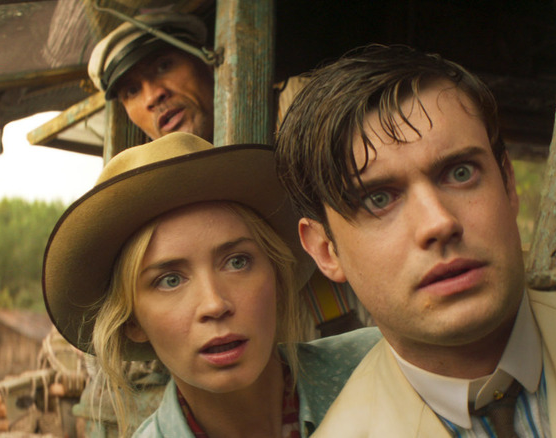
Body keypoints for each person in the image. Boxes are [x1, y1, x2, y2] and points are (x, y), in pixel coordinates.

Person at [274, 44, 556, 437]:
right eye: (378, 199)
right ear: (325, 251)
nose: (439, 223)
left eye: (461, 172)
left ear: (508, 183)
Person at [42, 132, 380, 437]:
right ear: (132, 320)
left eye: (237, 262)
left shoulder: (382, 366)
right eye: (169, 280)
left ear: (277, 276)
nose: (215, 304)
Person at [87, 11, 363, 336]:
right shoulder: (151, 193)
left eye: (164, 66)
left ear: (208, 60)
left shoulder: (300, 107)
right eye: (132, 91)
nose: (153, 96)